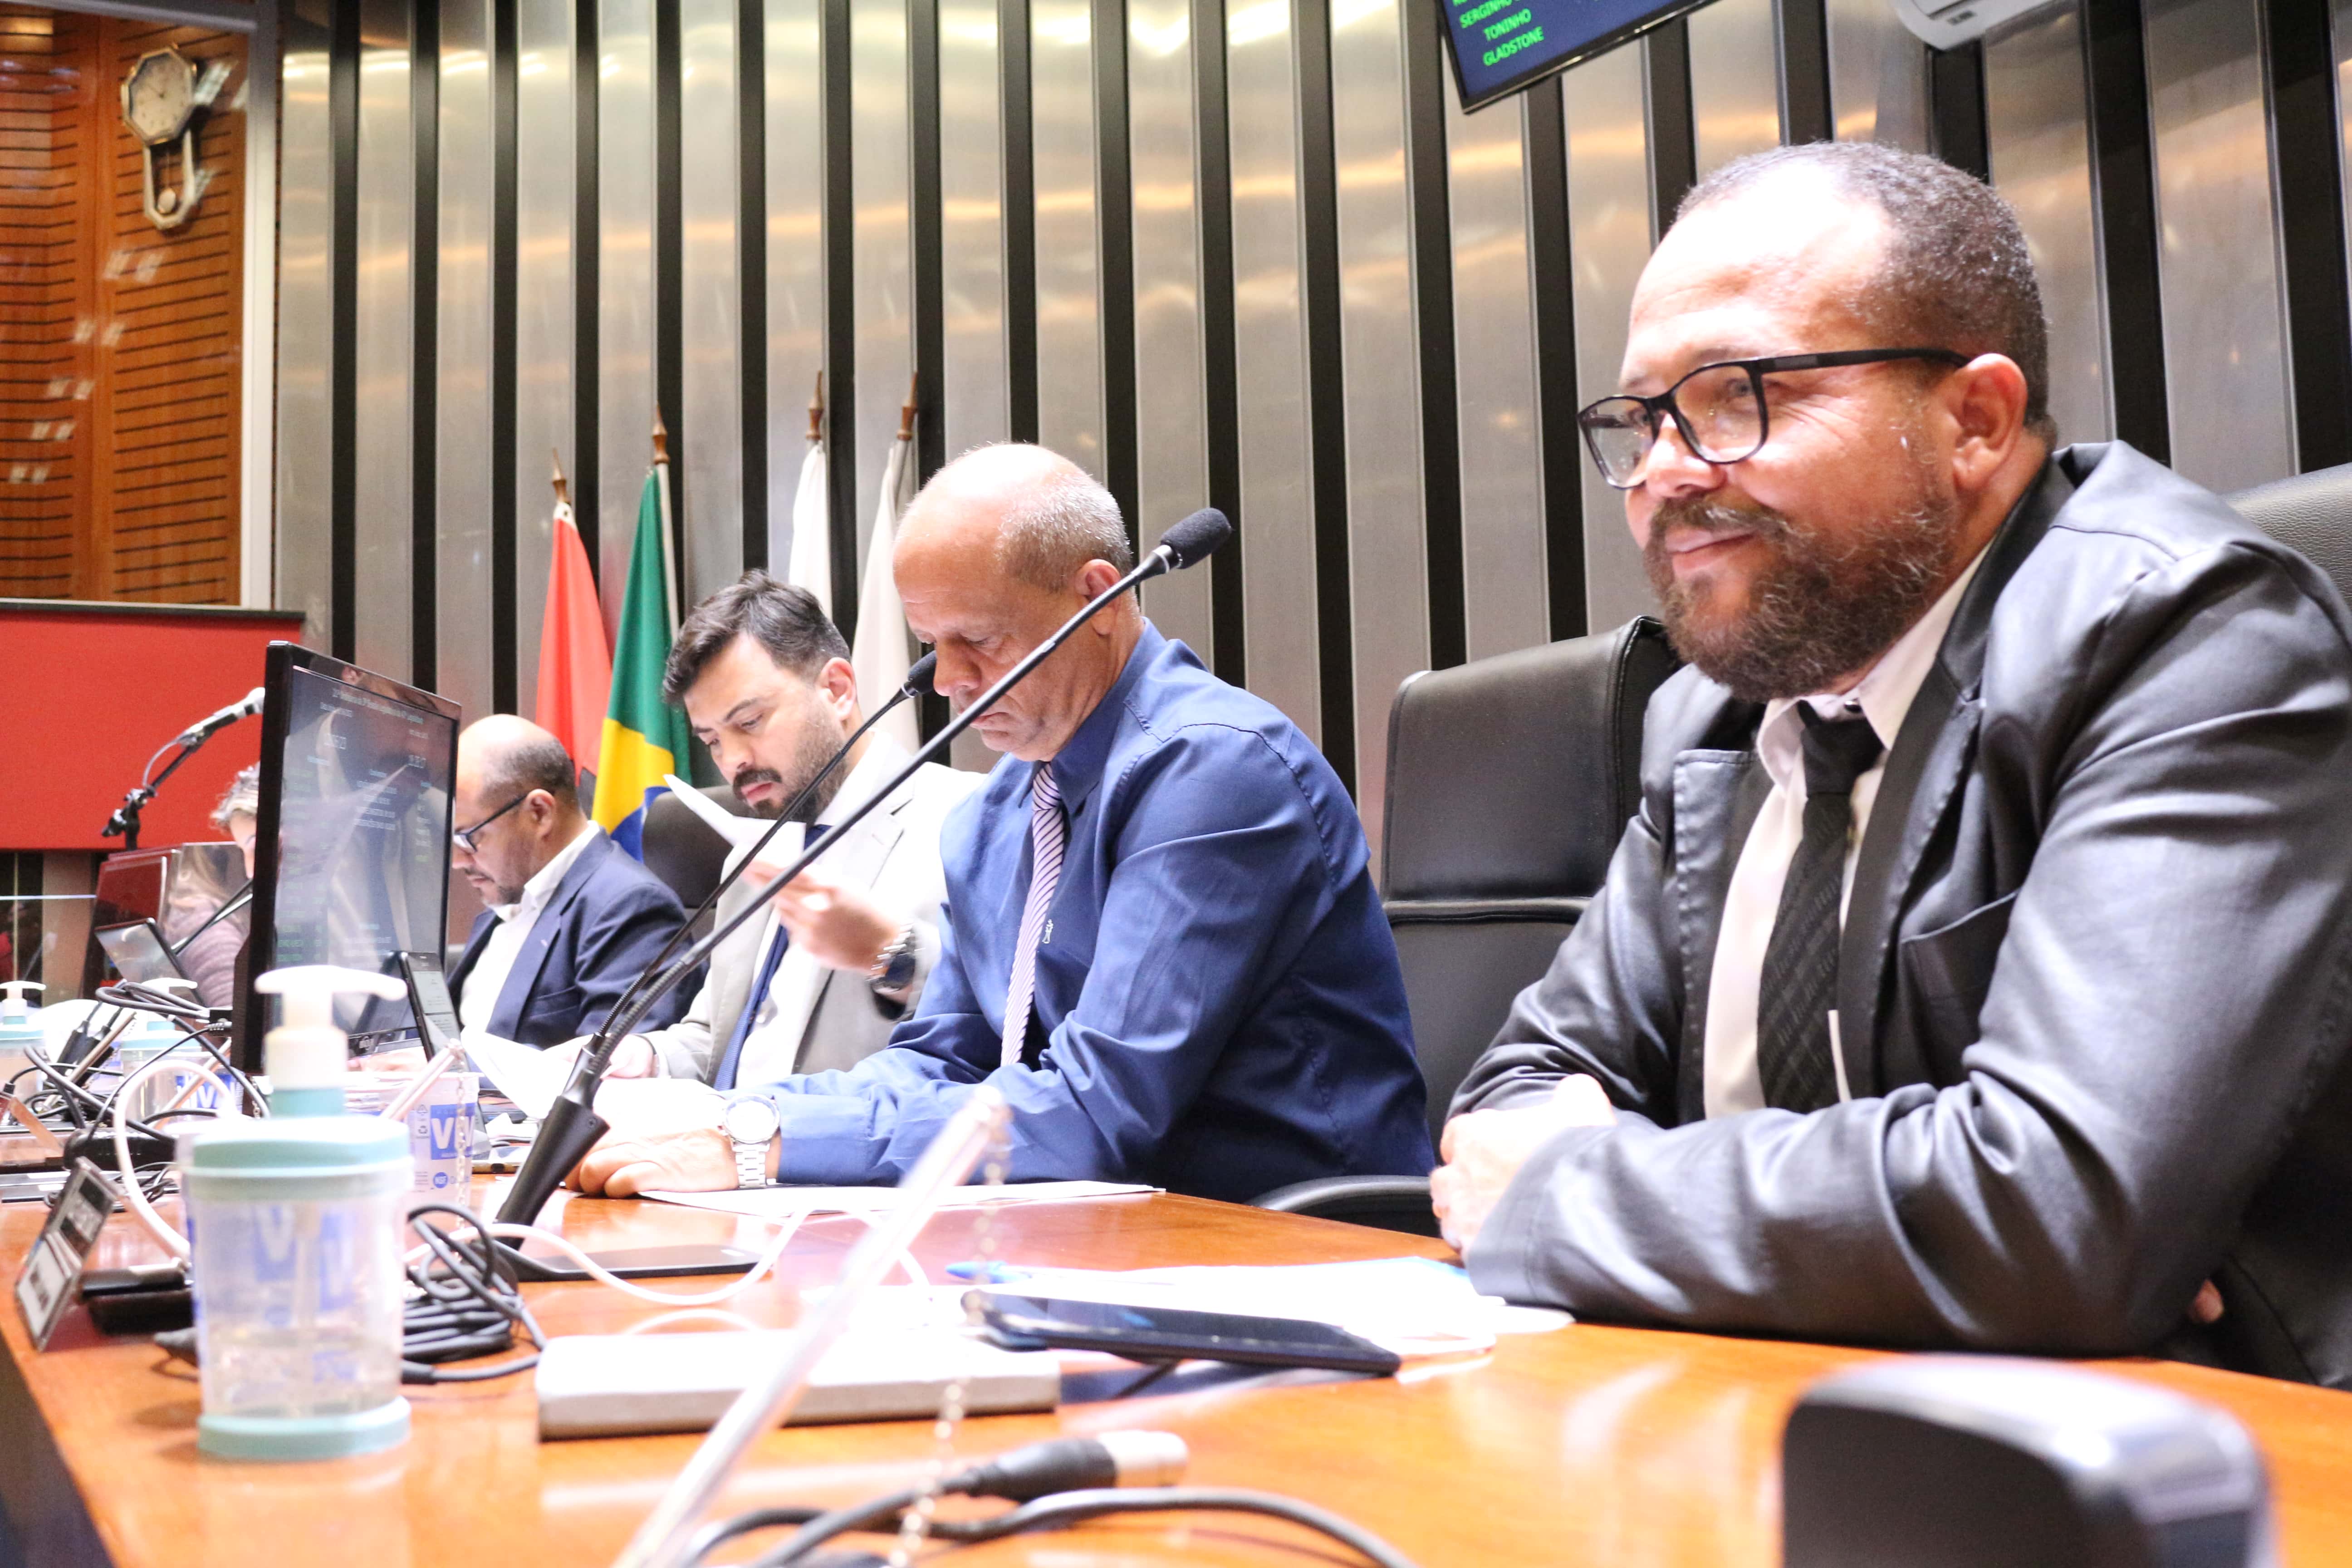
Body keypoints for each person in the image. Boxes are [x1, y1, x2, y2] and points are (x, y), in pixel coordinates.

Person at [1429, 141, 2352, 1391]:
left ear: (1973, 420)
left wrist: (1574, 1193)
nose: (1665, 473)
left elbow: (2057, 1215)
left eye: (1736, 395)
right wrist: (1929, 1211)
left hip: (2196, 1437)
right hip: (1771, 1407)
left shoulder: (2186, 637)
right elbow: (1517, 1095)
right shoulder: (1712, 716)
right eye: (1642, 418)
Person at [573, 443, 1432, 1201]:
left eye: (977, 640)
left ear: (1098, 597)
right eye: (930, 644)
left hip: (1285, 1241)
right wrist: (723, 1115)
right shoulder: (999, 812)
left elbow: (1097, 1107)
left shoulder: (1213, 773)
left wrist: (761, 1144)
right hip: (1095, 1231)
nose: (948, 681)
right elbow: (939, 1059)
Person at [577, 573, 981, 1084]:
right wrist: (647, 1055)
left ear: (836, 690)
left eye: (749, 722)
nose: (733, 761)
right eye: (712, 740)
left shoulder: (967, 818)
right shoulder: (752, 853)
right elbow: (715, 1039)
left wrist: (889, 952)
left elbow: (1001, 1020)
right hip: (719, 1128)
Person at [447, 715, 692, 1045]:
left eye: (468, 838)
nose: (458, 861)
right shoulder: (508, 894)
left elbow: (607, 1063)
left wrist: (459, 1066)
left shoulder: (631, 907)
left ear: (539, 813)